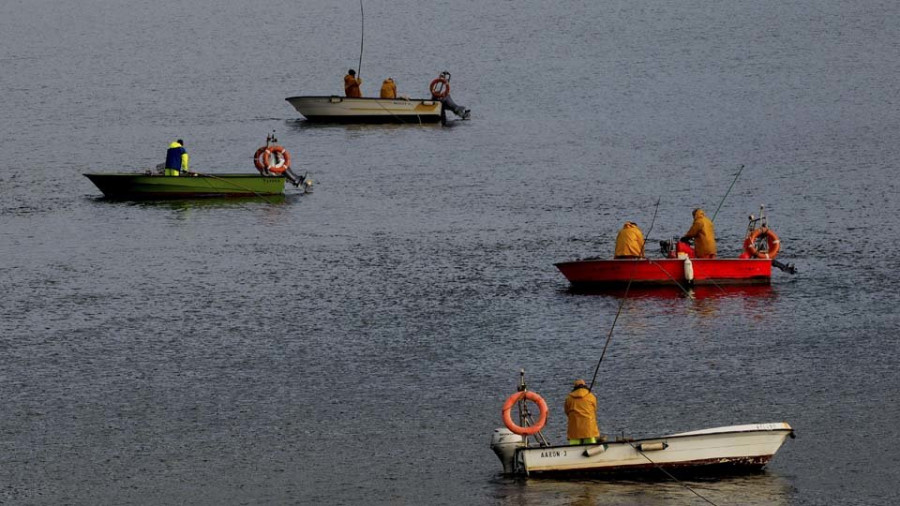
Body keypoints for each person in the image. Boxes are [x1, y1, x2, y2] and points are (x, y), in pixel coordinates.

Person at [564, 379, 600, 445]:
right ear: (585, 386)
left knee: (574, 444)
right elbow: (594, 409)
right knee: (591, 442)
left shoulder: (569, 398)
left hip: (574, 426)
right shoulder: (591, 396)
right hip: (589, 426)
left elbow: (567, 411)